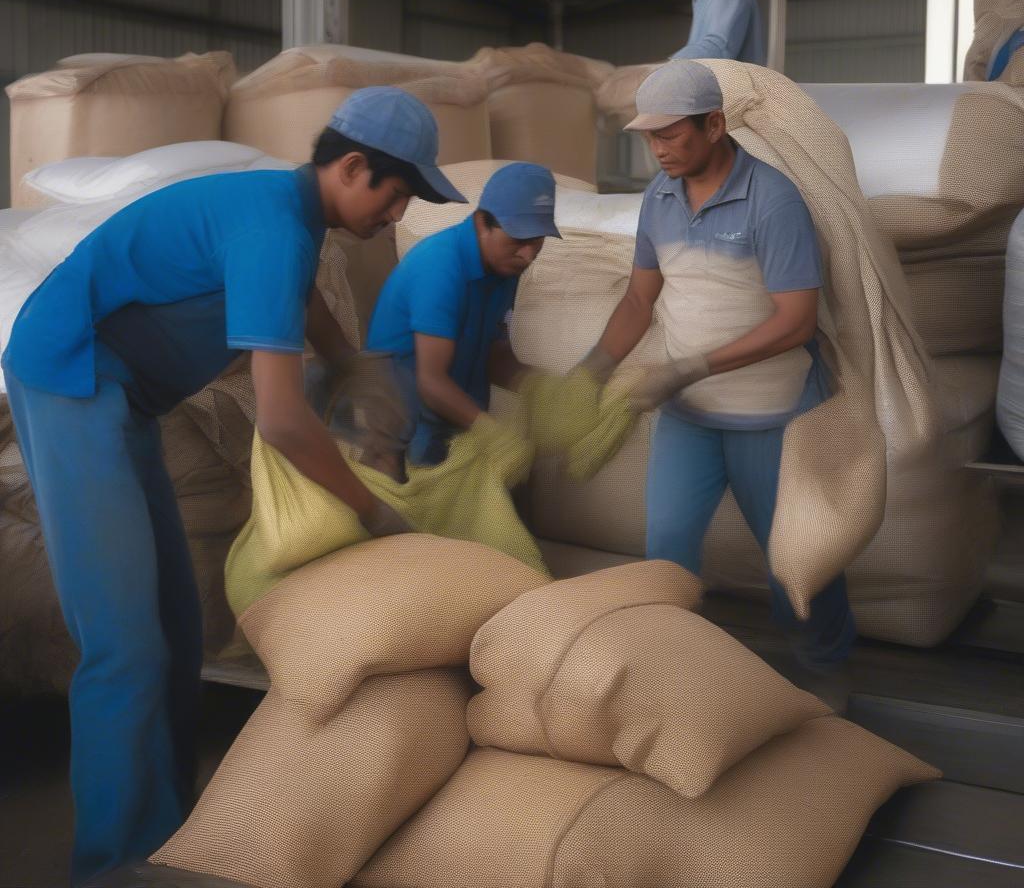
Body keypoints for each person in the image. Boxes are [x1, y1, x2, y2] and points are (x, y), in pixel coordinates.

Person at [0, 86, 466, 885]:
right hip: (70, 377)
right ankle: (109, 862)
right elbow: (282, 420)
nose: (397, 215)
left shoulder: (289, 217)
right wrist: (372, 513)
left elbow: (303, 299)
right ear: (353, 168)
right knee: (125, 643)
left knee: (179, 626)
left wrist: (350, 364)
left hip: (125, 398)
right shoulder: (273, 226)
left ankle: (169, 830)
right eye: (397, 194)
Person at [577, 60, 856, 669]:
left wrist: (693, 365)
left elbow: (796, 321)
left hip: (771, 415)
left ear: (714, 124)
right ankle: (676, 677)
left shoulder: (773, 201)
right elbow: (638, 297)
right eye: (649, 136)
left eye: (671, 134)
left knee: (796, 561)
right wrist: (593, 367)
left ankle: (826, 666)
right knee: (667, 553)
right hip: (690, 416)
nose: (657, 150)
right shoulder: (660, 196)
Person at [366, 162, 561, 473]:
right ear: (483, 223)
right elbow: (430, 381)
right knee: (412, 517)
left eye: (537, 240)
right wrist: (492, 433)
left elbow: (495, 354)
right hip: (401, 429)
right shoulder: (441, 268)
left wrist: (540, 387)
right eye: (518, 240)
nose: (528, 254)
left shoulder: (506, 268)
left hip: (451, 424)